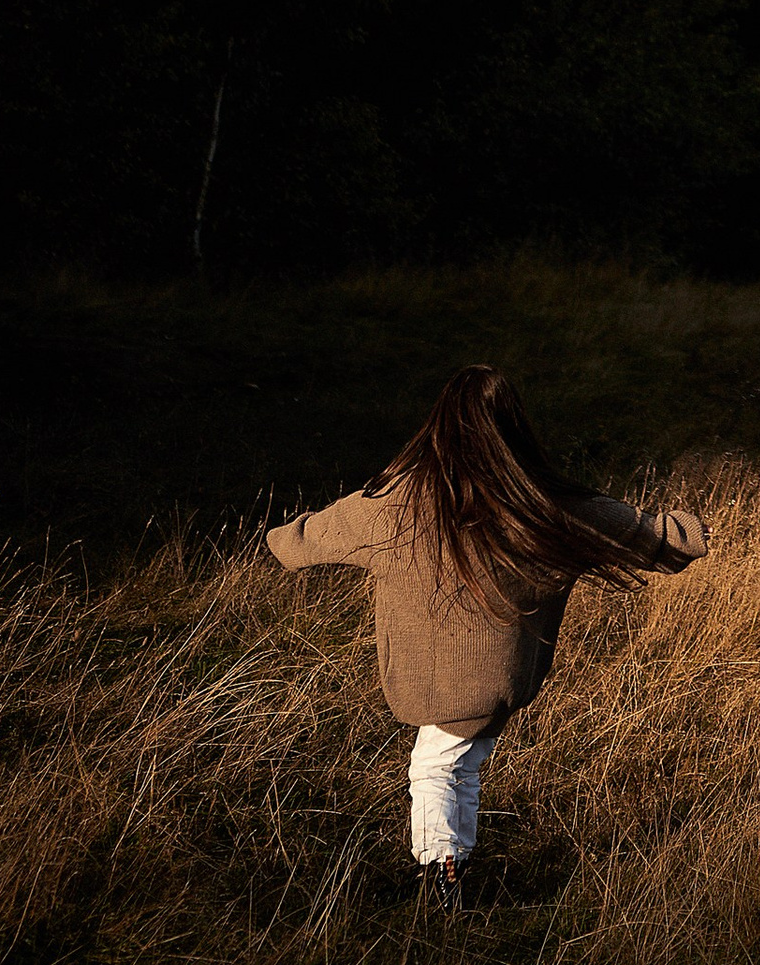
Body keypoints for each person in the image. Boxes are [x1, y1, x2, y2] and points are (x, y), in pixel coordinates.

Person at [268, 362, 708, 908]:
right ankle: (460, 862)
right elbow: (656, 534)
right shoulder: (540, 505)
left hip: (437, 684)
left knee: (430, 767)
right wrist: (689, 530)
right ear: (512, 426)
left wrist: (282, 536)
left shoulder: (395, 504)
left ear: (440, 425)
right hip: (506, 677)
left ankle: (439, 875)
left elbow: (303, 542)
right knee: (463, 766)